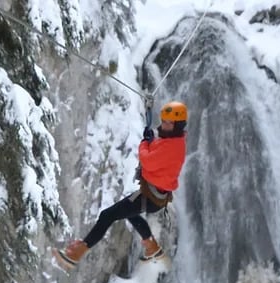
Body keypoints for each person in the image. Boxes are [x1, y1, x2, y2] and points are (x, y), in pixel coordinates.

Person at [53, 101, 188, 270]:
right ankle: (152, 247)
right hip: (155, 196)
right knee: (129, 214)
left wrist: (145, 143)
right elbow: (159, 152)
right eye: (165, 121)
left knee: (107, 215)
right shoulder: (175, 140)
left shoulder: (172, 146)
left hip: (150, 196)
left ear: (178, 125)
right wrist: (151, 139)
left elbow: (147, 161)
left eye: (170, 123)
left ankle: (76, 254)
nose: (165, 125)